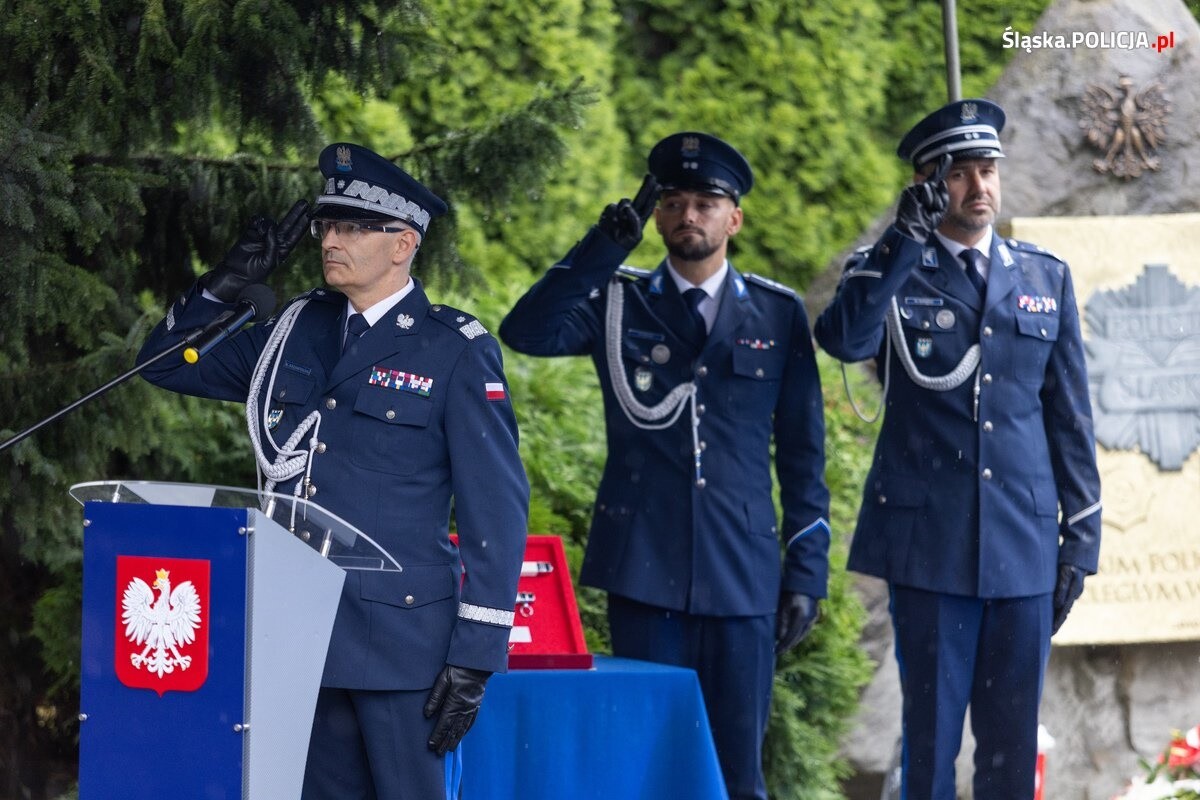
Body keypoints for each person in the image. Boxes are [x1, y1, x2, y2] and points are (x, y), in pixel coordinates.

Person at [137, 143, 529, 799]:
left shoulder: (452, 350)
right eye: (327, 224)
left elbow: (497, 509)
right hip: (299, 636)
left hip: (401, 646)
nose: (331, 239)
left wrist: (477, 654)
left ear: (403, 243)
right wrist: (224, 284)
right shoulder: (296, 330)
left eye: (352, 226)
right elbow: (165, 364)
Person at [500, 132, 830, 800]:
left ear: (733, 217)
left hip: (743, 573)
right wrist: (601, 249)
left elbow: (802, 453)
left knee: (739, 773)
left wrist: (807, 570)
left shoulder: (777, 312)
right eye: (674, 202)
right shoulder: (618, 299)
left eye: (707, 202)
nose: (690, 215)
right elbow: (526, 332)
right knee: (648, 770)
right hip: (645, 568)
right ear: (655, 217)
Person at [814, 99, 1102, 799]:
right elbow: (843, 341)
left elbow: (1069, 418)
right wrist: (899, 244)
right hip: (930, 544)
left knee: (1012, 738)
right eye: (961, 175)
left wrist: (1081, 539)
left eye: (988, 171)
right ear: (926, 184)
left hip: (1023, 542)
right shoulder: (890, 269)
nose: (979, 189)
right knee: (932, 737)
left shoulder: (1043, 277)